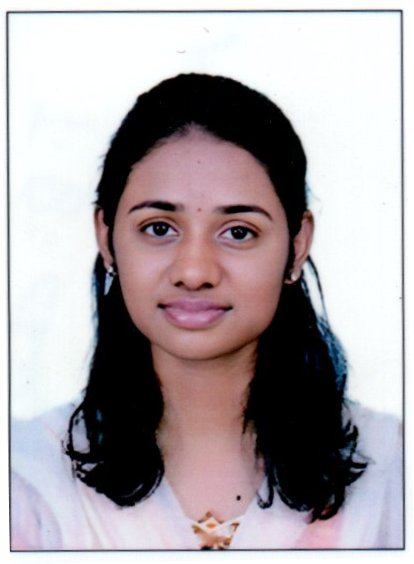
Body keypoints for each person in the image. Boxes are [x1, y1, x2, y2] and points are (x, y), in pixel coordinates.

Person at [11, 73, 402, 550]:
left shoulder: (395, 476)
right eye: (159, 228)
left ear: (297, 245)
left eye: (238, 232)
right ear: (106, 238)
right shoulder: (25, 480)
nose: (194, 272)